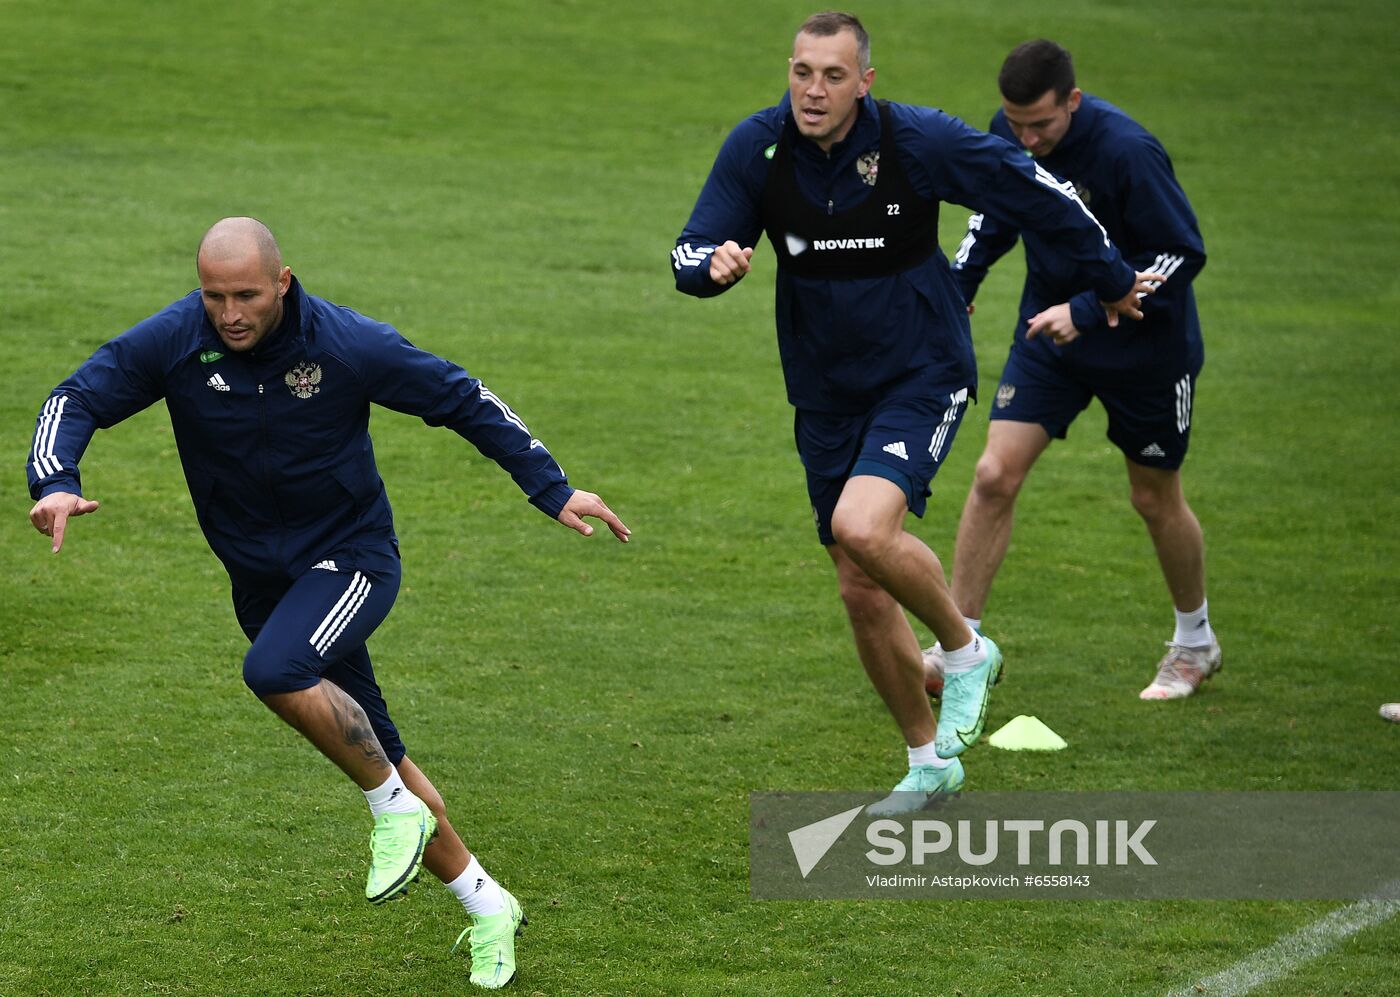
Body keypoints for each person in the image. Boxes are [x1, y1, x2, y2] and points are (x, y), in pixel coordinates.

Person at [27, 217, 630, 990]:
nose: (230, 313)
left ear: (282, 281)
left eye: (246, 294)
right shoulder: (180, 338)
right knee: (382, 751)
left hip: (349, 561)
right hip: (264, 581)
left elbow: (461, 396)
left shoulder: (345, 342)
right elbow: (77, 394)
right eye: (214, 296)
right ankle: (487, 905)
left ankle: (392, 811)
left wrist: (549, 485)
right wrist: (56, 482)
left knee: (276, 670)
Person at [671, 13, 1161, 813]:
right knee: (858, 584)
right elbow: (691, 247)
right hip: (824, 391)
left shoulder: (916, 142)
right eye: (801, 72)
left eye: (832, 75)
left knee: (864, 527)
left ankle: (965, 649)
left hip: (921, 372)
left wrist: (1109, 277)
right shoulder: (759, 149)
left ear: (865, 81)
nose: (813, 91)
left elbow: (1032, 190)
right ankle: (928, 761)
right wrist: (711, 266)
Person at [924, 39, 1218, 702]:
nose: (1025, 139)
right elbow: (998, 207)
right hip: (1049, 336)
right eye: (1015, 123)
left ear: (1074, 102)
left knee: (1153, 497)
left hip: (1147, 349)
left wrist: (1085, 310)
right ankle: (960, 646)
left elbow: (1179, 252)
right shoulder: (1012, 132)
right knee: (994, 473)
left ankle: (1195, 641)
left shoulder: (1127, 152)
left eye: (1042, 125)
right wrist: (957, 284)